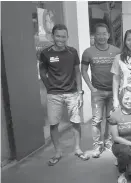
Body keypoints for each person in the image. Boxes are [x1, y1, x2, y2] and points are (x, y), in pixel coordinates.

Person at [39, 24, 89, 166]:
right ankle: (58, 152)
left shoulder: (72, 52)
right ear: (52, 36)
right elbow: (42, 72)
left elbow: (77, 72)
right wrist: (49, 87)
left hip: (72, 93)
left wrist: (80, 92)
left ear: (67, 37)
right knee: (54, 124)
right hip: (54, 95)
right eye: (58, 36)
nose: (61, 39)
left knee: (76, 122)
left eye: (64, 36)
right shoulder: (45, 53)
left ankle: (78, 149)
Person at [81, 23, 121, 158]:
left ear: (108, 35)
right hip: (97, 92)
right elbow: (83, 70)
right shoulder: (88, 52)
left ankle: (108, 142)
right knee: (97, 120)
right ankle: (97, 146)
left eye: (104, 34)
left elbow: (121, 70)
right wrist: (91, 88)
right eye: (99, 34)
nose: (102, 36)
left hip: (113, 92)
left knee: (111, 118)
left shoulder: (116, 51)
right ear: (94, 36)